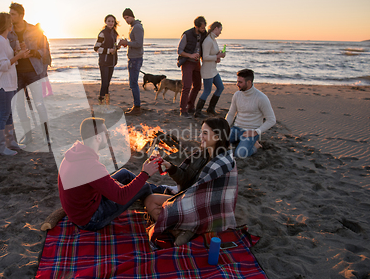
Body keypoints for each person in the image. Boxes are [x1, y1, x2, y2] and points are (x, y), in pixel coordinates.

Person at [58, 117, 171, 231]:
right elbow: (121, 197)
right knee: (143, 186)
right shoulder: (91, 166)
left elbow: (93, 181)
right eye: (106, 133)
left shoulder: (76, 152)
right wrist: (145, 173)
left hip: (84, 205)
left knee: (124, 173)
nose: (108, 136)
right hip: (90, 219)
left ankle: (161, 191)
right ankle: (155, 205)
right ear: (98, 138)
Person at [144, 117, 237, 246]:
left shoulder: (223, 163)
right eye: (201, 132)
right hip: (189, 198)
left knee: (157, 203)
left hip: (205, 211)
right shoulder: (201, 154)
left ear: (217, 137)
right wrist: (169, 167)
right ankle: (180, 231)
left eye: (205, 133)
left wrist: (178, 204)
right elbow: (186, 180)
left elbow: (212, 198)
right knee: (150, 200)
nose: (200, 136)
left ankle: (186, 227)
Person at [0, 12, 30, 155]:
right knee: (4, 114)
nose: (12, 24)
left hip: (10, 83)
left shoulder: (3, 40)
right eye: (10, 21)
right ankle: (2, 147)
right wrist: (18, 55)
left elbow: (8, 61)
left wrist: (20, 53)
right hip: (3, 85)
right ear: (6, 24)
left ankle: (11, 142)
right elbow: (1, 65)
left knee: (10, 114)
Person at [7, 2, 51, 144]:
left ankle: (47, 135)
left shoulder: (34, 30)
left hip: (34, 72)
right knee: (19, 106)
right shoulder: (8, 32)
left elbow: (46, 52)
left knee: (39, 103)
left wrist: (32, 52)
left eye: (13, 14)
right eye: (10, 14)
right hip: (16, 73)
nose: (10, 17)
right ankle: (28, 135)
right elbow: (5, 53)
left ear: (21, 15)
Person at [225, 69, 276, 158]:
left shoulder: (261, 98)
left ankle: (255, 146)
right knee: (216, 143)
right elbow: (231, 114)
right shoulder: (237, 95)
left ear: (249, 82)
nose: (237, 84)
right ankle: (240, 141)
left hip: (251, 131)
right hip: (236, 129)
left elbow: (271, 120)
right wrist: (224, 128)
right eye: (237, 81)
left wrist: (256, 132)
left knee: (240, 154)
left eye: (240, 82)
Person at [177, 16, 207, 118]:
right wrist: (190, 55)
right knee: (187, 86)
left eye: (204, 27)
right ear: (196, 26)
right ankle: (183, 109)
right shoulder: (187, 35)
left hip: (197, 62)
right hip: (187, 62)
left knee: (198, 85)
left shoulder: (203, 34)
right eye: (202, 28)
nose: (204, 29)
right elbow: (180, 51)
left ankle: (190, 106)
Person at [197, 21, 226, 118]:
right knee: (207, 91)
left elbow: (213, 54)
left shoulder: (213, 40)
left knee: (220, 87)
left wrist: (219, 56)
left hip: (213, 70)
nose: (220, 32)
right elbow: (205, 57)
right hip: (207, 70)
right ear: (216, 28)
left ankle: (210, 108)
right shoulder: (208, 40)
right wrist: (217, 56)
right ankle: (198, 111)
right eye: (220, 30)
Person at [118, 8, 144, 116]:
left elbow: (139, 43)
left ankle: (137, 107)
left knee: (133, 83)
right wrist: (127, 43)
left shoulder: (137, 27)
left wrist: (127, 43)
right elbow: (134, 43)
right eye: (125, 19)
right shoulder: (133, 26)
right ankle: (136, 105)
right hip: (133, 57)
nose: (126, 20)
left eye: (127, 18)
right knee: (133, 83)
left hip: (135, 58)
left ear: (132, 16)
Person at [94, 14, 119, 105]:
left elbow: (114, 47)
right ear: (106, 22)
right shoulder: (102, 33)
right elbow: (96, 48)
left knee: (107, 84)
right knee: (104, 84)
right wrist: (109, 51)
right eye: (109, 21)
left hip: (112, 62)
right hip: (104, 62)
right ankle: (101, 104)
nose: (111, 23)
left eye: (112, 21)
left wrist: (117, 47)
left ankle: (107, 104)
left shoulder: (114, 33)